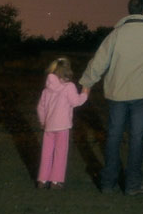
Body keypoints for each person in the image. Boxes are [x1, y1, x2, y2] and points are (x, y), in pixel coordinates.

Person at [79, 0, 143, 196]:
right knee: (137, 138)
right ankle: (133, 184)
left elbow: (99, 60)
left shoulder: (116, 34)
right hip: (142, 95)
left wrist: (86, 83)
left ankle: (108, 183)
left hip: (117, 95)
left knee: (114, 137)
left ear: (130, 11)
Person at [36, 57, 90, 189]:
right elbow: (76, 102)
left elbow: (40, 108)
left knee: (46, 152)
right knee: (60, 152)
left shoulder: (46, 90)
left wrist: (43, 122)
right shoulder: (69, 87)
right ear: (68, 72)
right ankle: (56, 181)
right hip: (62, 127)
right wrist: (85, 93)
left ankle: (42, 179)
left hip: (49, 127)